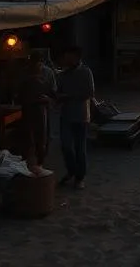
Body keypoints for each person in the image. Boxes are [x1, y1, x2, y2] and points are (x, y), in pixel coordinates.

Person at [57, 46, 94, 190]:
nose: (66, 59)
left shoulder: (86, 72)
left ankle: (80, 177)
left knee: (80, 148)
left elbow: (90, 93)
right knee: (66, 146)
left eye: (69, 57)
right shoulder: (62, 75)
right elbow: (58, 92)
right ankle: (72, 171)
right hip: (66, 115)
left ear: (76, 57)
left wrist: (70, 96)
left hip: (81, 115)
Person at [18, 51, 55, 168]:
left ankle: (40, 161)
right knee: (28, 136)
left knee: (42, 136)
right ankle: (28, 160)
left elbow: (53, 92)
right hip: (28, 109)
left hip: (42, 108)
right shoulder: (24, 74)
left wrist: (48, 98)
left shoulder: (48, 73)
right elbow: (19, 92)